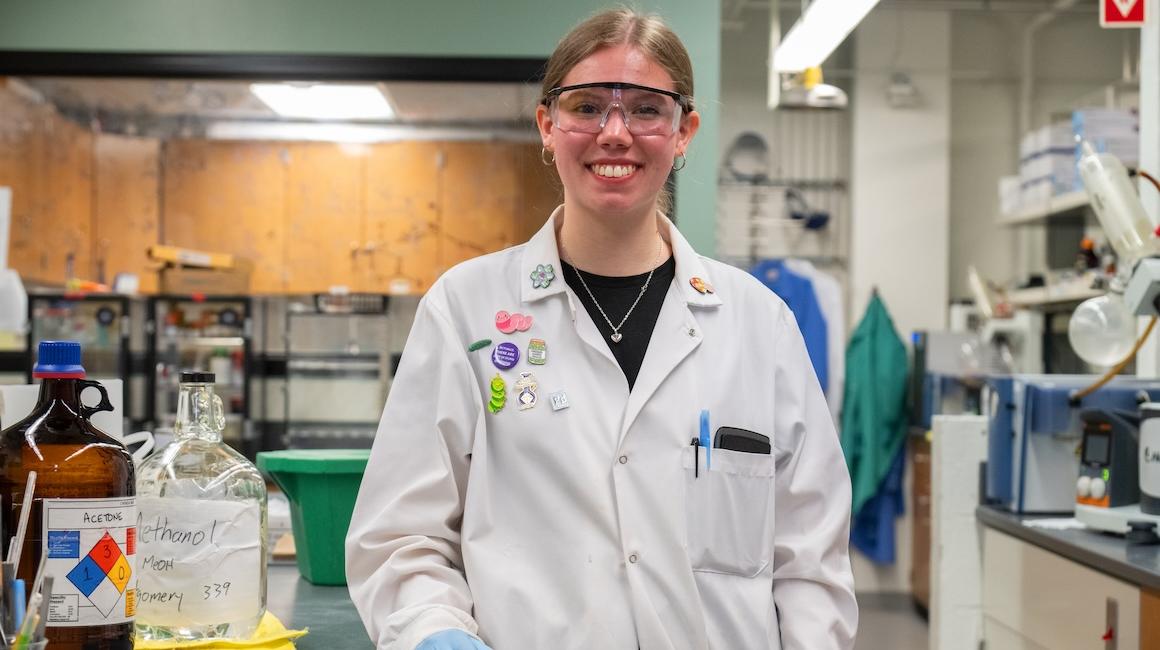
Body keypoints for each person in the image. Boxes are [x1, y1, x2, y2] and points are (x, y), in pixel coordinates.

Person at [346, 9, 858, 649]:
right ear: (547, 127)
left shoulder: (760, 324)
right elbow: (402, 538)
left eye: (647, 109)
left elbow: (810, 560)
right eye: (586, 107)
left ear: (683, 132)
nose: (615, 133)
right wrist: (433, 633)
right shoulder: (465, 310)